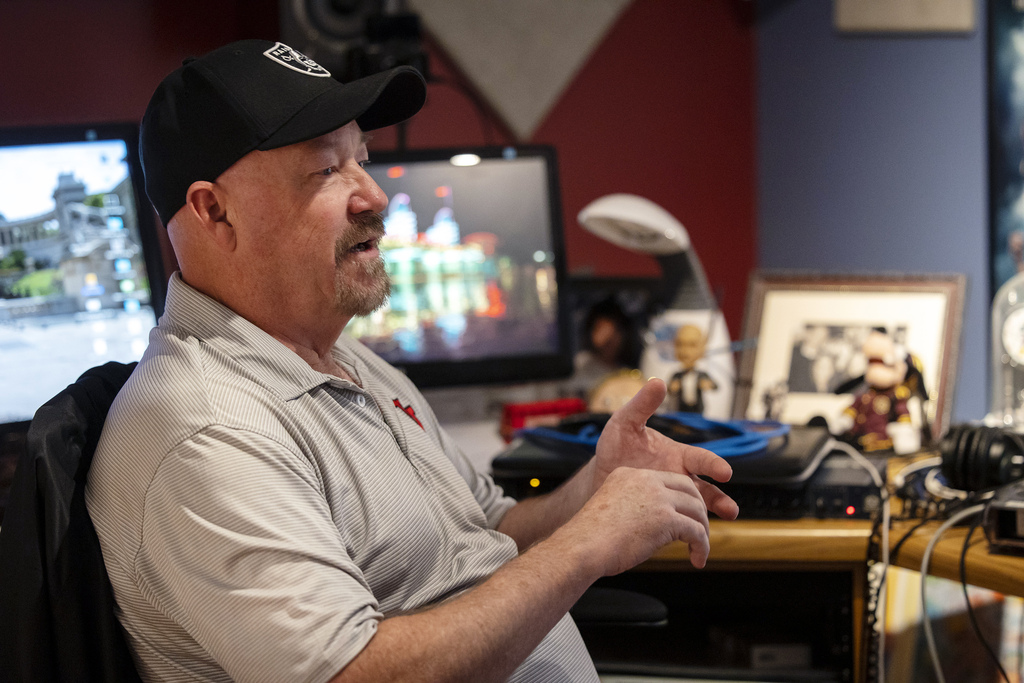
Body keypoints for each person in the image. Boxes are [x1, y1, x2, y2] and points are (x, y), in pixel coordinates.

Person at [85, 40, 738, 683]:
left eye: (360, 160)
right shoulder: (208, 432)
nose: (374, 194)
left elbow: (489, 529)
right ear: (213, 209)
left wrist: (597, 485)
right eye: (325, 169)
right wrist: (588, 543)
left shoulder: (344, 357)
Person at [667, 324, 717, 413]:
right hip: (681, 410)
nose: (685, 351)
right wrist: (671, 388)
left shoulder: (701, 375)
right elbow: (668, 389)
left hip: (697, 410)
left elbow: (715, 386)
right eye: (680, 344)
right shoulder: (677, 375)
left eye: (692, 345)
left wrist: (708, 385)